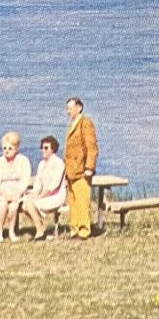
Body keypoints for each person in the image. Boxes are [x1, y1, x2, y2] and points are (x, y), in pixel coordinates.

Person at [62, 97, 99, 239]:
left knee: (82, 201)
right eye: (67, 109)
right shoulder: (73, 124)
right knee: (73, 202)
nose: (68, 112)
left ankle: (84, 230)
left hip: (81, 171)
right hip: (71, 171)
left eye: (70, 108)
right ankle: (74, 228)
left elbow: (91, 147)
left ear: (79, 108)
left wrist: (89, 167)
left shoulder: (86, 123)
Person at [20, 135, 67, 240]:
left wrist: (40, 196)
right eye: (42, 147)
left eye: (46, 148)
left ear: (53, 149)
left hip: (56, 196)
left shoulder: (59, 163)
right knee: (23, 204)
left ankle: (40, 231)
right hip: (44, 195)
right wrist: (32, 194)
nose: (43, 150)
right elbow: (38, 184)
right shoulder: (41, 164)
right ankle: (40, 226)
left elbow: (54, 186)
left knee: (29, 203)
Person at [0, 131, 32, 242]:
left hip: (18, 193)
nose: (7, 151)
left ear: (16, 149)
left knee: (13, 206)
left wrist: (18, 193)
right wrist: (3, 193)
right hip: (1, 193)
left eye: (10, 148)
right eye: (4, 148)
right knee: (3, 203)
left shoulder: (23, 161)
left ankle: (12, 231)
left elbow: (25, 180)